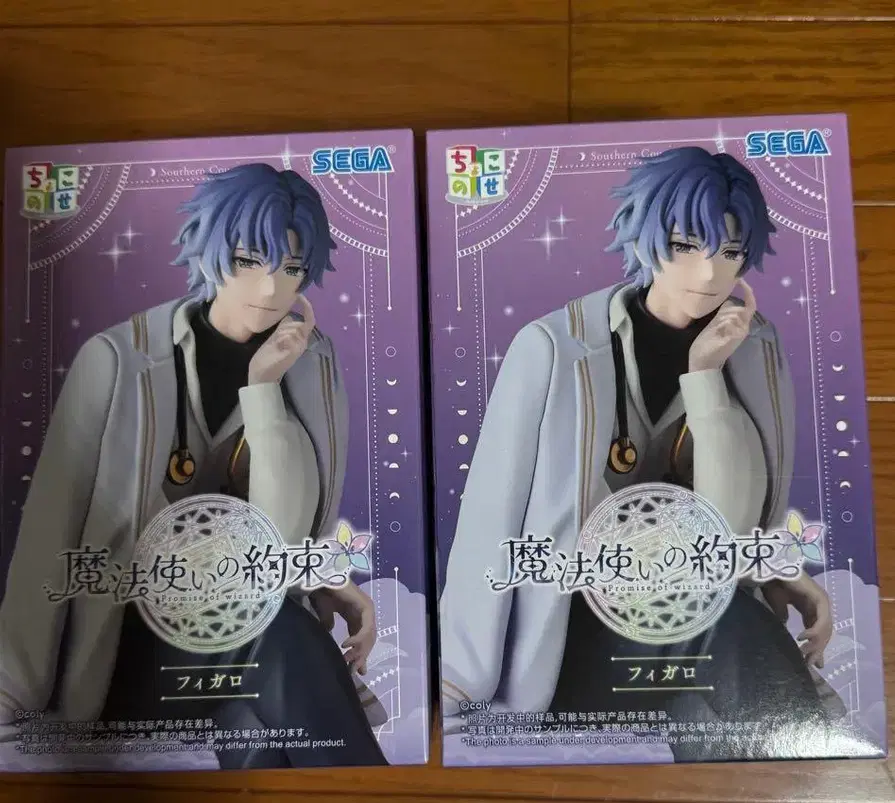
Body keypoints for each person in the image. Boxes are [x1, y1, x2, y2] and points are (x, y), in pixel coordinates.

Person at [440, 147, 836, 761]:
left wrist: (704, 378)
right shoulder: (552, 347)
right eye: (685, 245)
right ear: (645, 237)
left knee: (708, 711)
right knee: (720, 633)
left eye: (731, 252)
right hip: (572, 638)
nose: (709, 273)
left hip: (689, 614)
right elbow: (491, 517)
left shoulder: (754, 348)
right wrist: (461, 674)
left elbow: (727, 529)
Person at [0, 163, 387, 768]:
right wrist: (10, 700)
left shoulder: (311, 362)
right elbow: (49, 539)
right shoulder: (116, 360)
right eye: (248, 261)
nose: (270, 289)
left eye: (291, 269)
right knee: (268, 636)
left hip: (243, 632)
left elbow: (280, 539)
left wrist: (263, 389)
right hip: (124, 651)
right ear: (211, 252)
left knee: (255, 730)